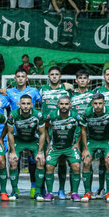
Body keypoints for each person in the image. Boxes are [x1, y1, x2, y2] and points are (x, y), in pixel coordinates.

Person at [3, 68, 43, 198]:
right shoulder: (8, 92)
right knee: (15, 160)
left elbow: (44, 103)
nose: (20, 78)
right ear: (14, 78)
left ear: (27, 78)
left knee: (35, 161)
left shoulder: (34, 92)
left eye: (23, 76)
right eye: (18, 76)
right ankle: (15, 190)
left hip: (32, 132)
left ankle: (35, 189)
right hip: (17, 132)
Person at [41, 96, 85, 202]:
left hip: (70, 147)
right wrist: (48, 143)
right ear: (58, 105)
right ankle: (50, 193)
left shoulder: (76, 116)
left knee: (76, 166)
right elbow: (44, 127)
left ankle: (74, 193)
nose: (64, 106)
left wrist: (78, 143)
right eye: (61, 104)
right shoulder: (51, 115)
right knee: (49, 165)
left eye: (66, 104)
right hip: (55, 147)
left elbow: (83, 128)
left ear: (70, 105)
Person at [6, 94, 46, 201]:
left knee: (40, 160)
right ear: (19, 105)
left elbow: (42, 134)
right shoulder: (13, 115)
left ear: (32, 105)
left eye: (28, 104)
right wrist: (13, 151)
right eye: (23, 104)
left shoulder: (38, 115)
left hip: (33, 140)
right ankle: (14, 191)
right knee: (13, 160)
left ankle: (38, 192)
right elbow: (9, 133)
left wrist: (40, 152)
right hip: (19, 140)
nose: (26, 106)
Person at [40, 66, 73, 199]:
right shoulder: (42, 90)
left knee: (62, 161)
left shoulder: (66, 90)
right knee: (45, 161)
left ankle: (61, 190)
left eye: (56, 74)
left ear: (60, 76)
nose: (54, 76)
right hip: (46, 128)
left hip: (62, 128)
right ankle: (44, 190)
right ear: (48, 76)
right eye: (52, 74)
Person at [80, 93, 109, 202]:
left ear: (104, 103)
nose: (97, 106)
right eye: (95, 103)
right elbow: (83, 130)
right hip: (92, 141)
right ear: (92, 104)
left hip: (105, 141)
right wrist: (85, 149)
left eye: (100, 103)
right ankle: (87, 192)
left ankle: (108, 192)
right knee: (86, 161)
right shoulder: (87, 112)